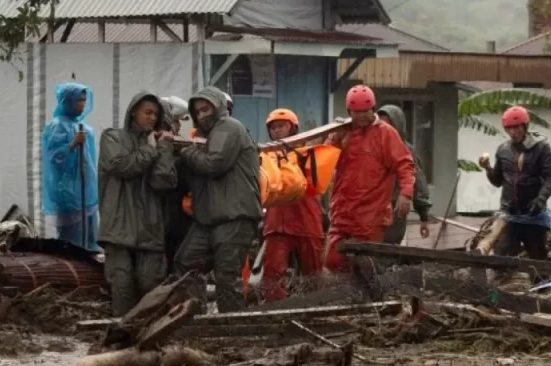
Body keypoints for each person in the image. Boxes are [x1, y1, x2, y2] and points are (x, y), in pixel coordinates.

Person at [175, 86, 262, 312]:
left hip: (234, 216)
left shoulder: (227, 127)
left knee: (227, 275)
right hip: (210, 218)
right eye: (198, 112)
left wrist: (186, 151)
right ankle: (193, 314)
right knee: (186, 262)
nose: (202, 115)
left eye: (206, 109)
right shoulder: (207, 136)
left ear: (218, 107)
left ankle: (230, 328)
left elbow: (215, 164)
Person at [324, 85, 415, 286]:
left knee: (364, 262)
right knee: (333, 259)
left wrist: (406, 194)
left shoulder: (386, 133)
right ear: (349, 112)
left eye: (366, 111)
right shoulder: (342, 133)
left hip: (371, 216)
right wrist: (335, 138)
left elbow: (405, 163)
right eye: (357, 113)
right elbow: (324, 161)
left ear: (373, 109)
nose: (363, 116)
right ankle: (350, 294)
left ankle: (374, 298)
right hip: (342, 211)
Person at [97, 93, 178, 316]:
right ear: (134, 111)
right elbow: (122, 166)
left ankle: (150, 343)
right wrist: (150, 150)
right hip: (119, 226)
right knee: (121, 285)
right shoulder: (112, 137)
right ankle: (121, 344)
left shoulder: (158, 143)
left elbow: (163, 180)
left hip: (149, 229)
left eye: (156, 115)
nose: (152, 118)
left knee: (150, 286)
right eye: (147, 112)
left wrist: (163, 149)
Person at [260, 108, 325, 301]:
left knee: (313, 275)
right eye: (273, 128)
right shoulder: (266, 157)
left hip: (306, 221)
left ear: (293, 128)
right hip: (277, 224)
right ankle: (278, 313)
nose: (277, 131)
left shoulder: (308, 154)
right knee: (271, 276)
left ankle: (314, 311)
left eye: (281, 126)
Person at [478, 105, 551, 260]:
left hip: (533, 214)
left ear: (525, 126)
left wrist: (540, 200)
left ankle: (540, 283)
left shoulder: (541, 147)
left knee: (538, 259)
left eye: (517, 127)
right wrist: (488, 168)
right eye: (509, 128)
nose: (514, 132)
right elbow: (497, 181)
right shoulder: (503, 150)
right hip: (510, 215)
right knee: (503, 258)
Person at [41, 82, 99, 251]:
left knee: (90, 239)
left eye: (84, 99)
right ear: (67, 101)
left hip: (86, 193)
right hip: (68, 194)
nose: (82, 104)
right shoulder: (56, 126)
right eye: (78, 100)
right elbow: (54, 159)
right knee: (72, 243)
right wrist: (72, 145)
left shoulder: (85, 128)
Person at [377, 104, 433, 244]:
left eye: (389, 124)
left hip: (396, 209)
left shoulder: (407, 152)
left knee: (388, 248)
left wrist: (424, 218)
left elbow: (418, 184)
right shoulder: (372, 148)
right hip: (372, 208)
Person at [159, 96, 193, 273]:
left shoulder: (179, 144)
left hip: (177, 213)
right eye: (176, 121)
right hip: (166, 212)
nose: (179, 126)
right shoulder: (159, 143)